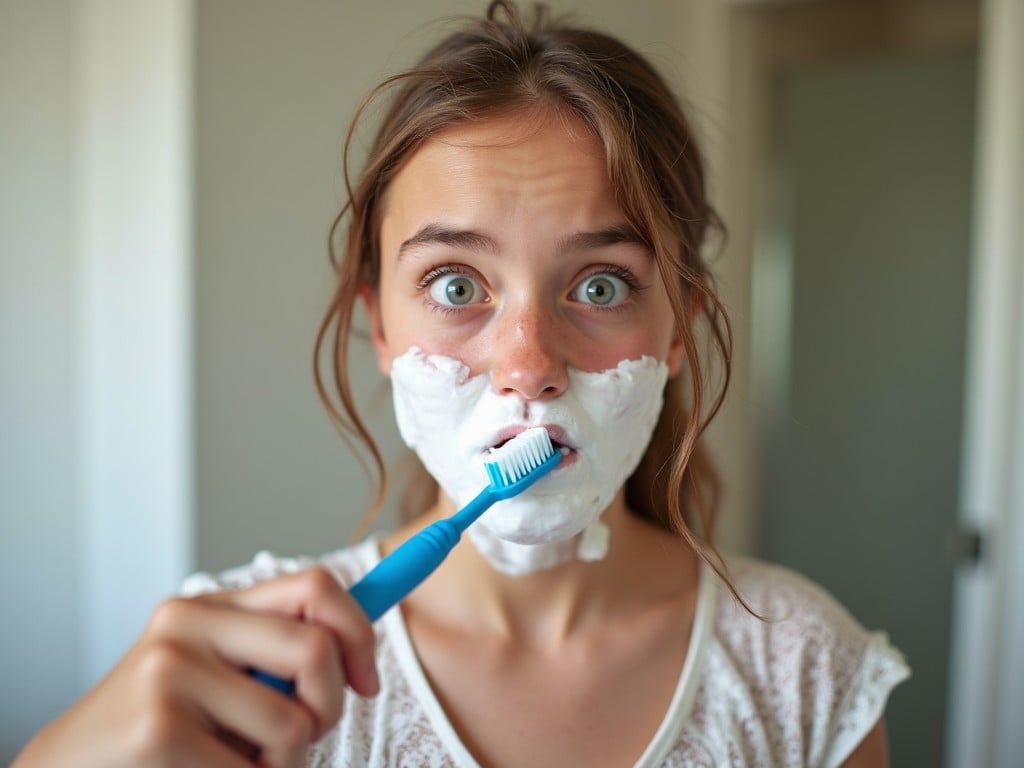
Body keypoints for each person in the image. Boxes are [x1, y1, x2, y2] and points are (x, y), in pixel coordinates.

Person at [13, 2, 909, 766]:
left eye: (600, 286)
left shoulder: (805, 672)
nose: (528, 366)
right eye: (455, 286)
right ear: (379, 325)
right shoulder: (246, 668)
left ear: (677, 331)